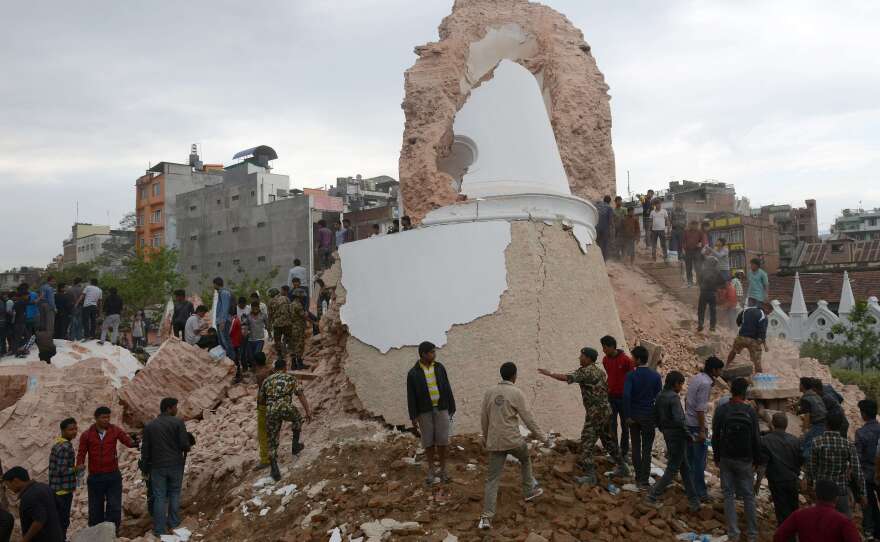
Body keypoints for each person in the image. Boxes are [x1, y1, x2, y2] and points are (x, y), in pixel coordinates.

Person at [539, 347, 627, 485]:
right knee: (608, 441)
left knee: (586, 443)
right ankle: (623, 467)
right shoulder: (600, 372)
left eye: (582, 356)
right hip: (605, 412)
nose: (579, 358)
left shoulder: (586, 372)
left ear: (588, 358)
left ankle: (590, 476)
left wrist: (549, 373)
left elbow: (567, 378)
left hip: (595, 414)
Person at [477, 362, 546, 530]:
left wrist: (487, 439)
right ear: (514, 376)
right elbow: (528, 419)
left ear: (501, 375)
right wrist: (542, 437)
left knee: (492, 480)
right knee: (525, 459)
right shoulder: (516, 393)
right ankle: (529, 491)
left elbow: (484, 418)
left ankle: (486, 518)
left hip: (496, 443)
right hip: (514, 441)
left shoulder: (489, 393)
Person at [712, 377, 760, 542]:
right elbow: (756, 438)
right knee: (748, 495)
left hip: (726, 457)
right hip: (745, 459)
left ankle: (733, 533)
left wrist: (717, 457)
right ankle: (753, 534)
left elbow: (715, 435)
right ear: (745, 392)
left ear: (731, 391)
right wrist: (756, 459)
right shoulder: (750, 412)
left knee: (728, 495)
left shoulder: (722, 410)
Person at [75, 406, 137, 531]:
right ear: (96, 418)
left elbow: (127, 441)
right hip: (95, 477)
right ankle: (95, 532)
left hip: (112, 475)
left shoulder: (115, 430)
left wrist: (135, 441)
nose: (106, 420)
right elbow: (81, 453)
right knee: (95, 507)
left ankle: (112, 531)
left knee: (114, 506)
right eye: (103, 417)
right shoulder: (87, 435)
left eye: (108, 417)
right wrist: (79, 466)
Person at [647, 371, 700, 511]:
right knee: (673, 468)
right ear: (676, 383)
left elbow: (655, 417)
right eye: (681, 384)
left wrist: (663, 428)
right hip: (677, 436)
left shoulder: (660, 395)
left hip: (667, 433)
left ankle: (694, 500)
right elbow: (679, 420)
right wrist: (689, 435)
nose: (682, 387)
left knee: (684, 467)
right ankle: (652, 495)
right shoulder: (673, 398)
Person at [407, 341, 456, 486]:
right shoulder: (413, 373)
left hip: (441, 408)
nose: (434, 354)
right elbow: (411, 395)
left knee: (442, 441)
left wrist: (451, 406)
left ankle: (443, 470)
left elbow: (447, 387)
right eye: (432, 352)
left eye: (434, 352)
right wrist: (413, 415)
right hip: (424, 412)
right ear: (423, 354)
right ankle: (431, 470)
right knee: (428, 442)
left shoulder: (440, 368)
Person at [141, 398, 191, 537]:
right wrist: (188, 444)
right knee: (175, 493)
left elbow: (145, 449)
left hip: (157, 467)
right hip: (175, 464)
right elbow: (184, 445)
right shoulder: (178, 422)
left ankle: (159, 529)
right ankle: (174, 523)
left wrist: (145, 467)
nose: (177, 409)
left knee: (159, 497)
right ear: (169, 408)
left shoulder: (150, 426)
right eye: (175, 407)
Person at [259, 359, 313, 481]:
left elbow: (261, 400)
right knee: (298, 418)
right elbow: (300, 395)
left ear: (274, 368)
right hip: (285, 407)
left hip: (271, 410)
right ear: (284, 368)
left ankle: (274, 469)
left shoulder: (267, 380)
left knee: (272, 439)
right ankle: (295, 446)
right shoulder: (290, 378)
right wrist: (308, 411)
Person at [806, 412, 866, 518]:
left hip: (822, 490)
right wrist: (862, 493)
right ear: (841, 425)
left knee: (822, 520)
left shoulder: (817, 442)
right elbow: (857, 470)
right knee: (844, 520)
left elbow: (811, 467)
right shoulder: (848, 444)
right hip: (840, 490)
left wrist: (810, 485)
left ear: (826, 424)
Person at [685, 356, 725, 502]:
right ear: (714, 370)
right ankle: (700, 493)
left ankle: (689, 489)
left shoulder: (697, 377)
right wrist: (702, 430)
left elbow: (687, 400)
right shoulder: (706, 383)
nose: (721, 372)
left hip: (689, 422)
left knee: (689, 459)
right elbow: (701, 409)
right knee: (699, 461)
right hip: (697, 425)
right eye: (720, 369)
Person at [773, 479, 861, 542]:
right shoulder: (844, 521)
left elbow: (778, 536)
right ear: (836, 498)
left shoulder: (799, 515)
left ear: (816, 495)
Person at [755, 413, 803, 528]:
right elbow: (801, 460)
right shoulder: (795, 440)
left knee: (782, 512)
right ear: (786, 425)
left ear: (772, 424)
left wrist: (757, 484)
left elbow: (762, 465)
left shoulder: (765, 440)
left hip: (777, 481)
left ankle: (786, 536)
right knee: (794, 509)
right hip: (792, 480)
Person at [623, 346, 661, 489]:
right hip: (648, 416)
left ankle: (638, 478)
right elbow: (659, 398)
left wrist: (627, 415)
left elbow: (626, 395)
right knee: (647, 449)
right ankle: (645, 480)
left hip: (633, 416)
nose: (631, 360)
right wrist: (657, 417)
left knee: (636, 447)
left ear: (638, 359)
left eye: (633, 358)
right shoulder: (656, 376)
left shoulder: (631, 375)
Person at [1, 466, 64, 542]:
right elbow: (60, 506)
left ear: (16, 481)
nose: (9, 488)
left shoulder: (29, 496)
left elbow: (39, 521)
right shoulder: (44, 487)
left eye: (8, 485)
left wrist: (24, 540)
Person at [600, 335, 634, 468]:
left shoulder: (626, 360)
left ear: (612, 346)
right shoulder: (605, 360)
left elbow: (632, 377)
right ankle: (615, 453)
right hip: (611, 397)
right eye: (603, 347)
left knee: (625, 426)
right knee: (612, 426)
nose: (603, 350)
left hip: (624, 398)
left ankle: (624, 453)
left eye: (605, 347)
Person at [48, 418, 78, 541]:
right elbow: (62, 471)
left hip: (56, 490)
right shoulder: (65, 447)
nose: (74, 432)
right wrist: (77, 469)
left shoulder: (58, 444)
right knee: (62, 521)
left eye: (76, 429)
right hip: (62, 491)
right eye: (71, 429)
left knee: (59, 521)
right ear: (63, 431)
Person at [855, 399, 880, 539]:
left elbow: (858, 457)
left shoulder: (861, 433)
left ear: (863, 414)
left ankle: (870, 532)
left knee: (869, 503)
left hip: (867, 473)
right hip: (879, 472)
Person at [726, 301, 770, 373]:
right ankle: (759, 377)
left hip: (741, 337)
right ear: (766, 308)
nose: (768, 314)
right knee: (757, 360)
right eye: (769, 312)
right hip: (753, 340)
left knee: (733, 351)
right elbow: (762, 332)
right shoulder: (763, 316)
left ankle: (726, 365)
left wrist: (743, 328)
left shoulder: (746, 309)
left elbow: (738, 321)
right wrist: (764, 345)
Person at [798, 376, 828, 460]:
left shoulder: (806, 399)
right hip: (825, 423)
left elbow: (807, 415)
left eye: (799, 384)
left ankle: (807, 467)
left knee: (807, 446)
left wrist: (804, 431)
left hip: (818, 425)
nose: (798, 386)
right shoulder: (815, 395)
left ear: (803, 386)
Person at [252, 352, 272, 471]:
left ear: (255, 362)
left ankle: (265, 459)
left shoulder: (260, 374)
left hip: (264, 405)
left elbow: (262, 390)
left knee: (262, 433)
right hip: (273, 404)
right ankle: (273, 453)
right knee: (272, 430)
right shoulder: (270, 370)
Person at [697, 256, 724, 333]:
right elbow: (723, 283)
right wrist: (717, 288)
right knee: (713, 311)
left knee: (701, 310)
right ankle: (712, 327)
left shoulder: (703, 271)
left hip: (703, 293)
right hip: (712, 294)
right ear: (715, 264)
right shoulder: (717, 272)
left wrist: (702, 286)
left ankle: (700, 324)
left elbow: (699, 281)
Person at [267, 287, 293, 367]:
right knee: (288, 339)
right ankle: (289, 354)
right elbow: (291, 310)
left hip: (277, 324)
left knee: (277, 340)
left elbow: (270, 315)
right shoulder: (286, 298)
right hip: (287, 323)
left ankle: (280, 355)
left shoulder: (270, 302)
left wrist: (269, 327)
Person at [213, 277, 234, 358]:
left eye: (213, 284)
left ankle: (232, 358)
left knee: (225, 340)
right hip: (220, 320)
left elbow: (225, 308)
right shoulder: (221, 293)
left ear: (216, 284)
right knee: (221, 341)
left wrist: (223, 321)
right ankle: (227, 358)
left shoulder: (224, 293)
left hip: (223, 321)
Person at [289, 288, 309, 370]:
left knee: (293, 346)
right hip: (298, 327)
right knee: (299, 345)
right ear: (299, 296)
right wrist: (307, 315)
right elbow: (303, 315)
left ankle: (293, 364)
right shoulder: (298, 305)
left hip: (292, 327)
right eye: (302, 296)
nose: (303, 298)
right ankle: (300, 364)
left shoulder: (291, 304)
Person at [682, 221, 704, 286]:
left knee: (698, 267)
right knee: (688, 267)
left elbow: (703, 240)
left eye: (696, 225)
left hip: (697, 251)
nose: (694, 226)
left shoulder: (700, 232)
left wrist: (700, 244)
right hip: (688, 251)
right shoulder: (686, 232)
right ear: (690, 225)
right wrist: (684, 248)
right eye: (692, 225)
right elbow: (683, 241)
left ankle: (699, 282)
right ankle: (690, 281)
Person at [595, 195, 614, 259]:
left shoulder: (597, 205)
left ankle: (596, 257)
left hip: (596, 227)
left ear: (604, 200)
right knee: (605, 244)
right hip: (604, 229)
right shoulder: (609, 208)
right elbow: (610, 220)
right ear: (609, 202)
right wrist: (612, 228)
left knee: (596, 243)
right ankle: (604, 259)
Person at [229, 312, 243, 381]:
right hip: (237, 342)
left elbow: (230, 332)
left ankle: (237, 375)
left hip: (234, 342)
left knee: (235, 359)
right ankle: (238, 375)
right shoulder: (237, 319)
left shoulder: (234, 320)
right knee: (237, 359)